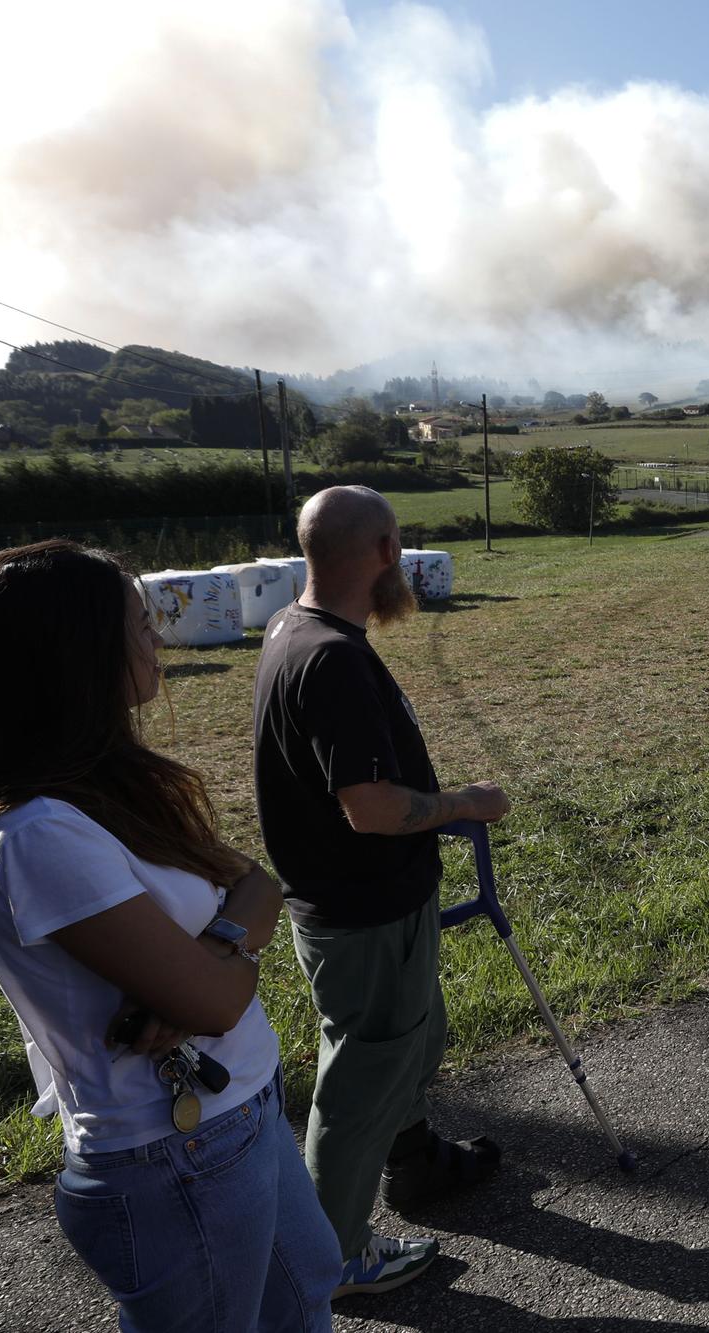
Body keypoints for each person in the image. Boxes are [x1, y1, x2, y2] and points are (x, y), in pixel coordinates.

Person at [0, 540, 338, 1331]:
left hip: (239, 1113)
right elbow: (219, 994)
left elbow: (258, 882)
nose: (154, 641)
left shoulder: (109, 789)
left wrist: (207, 955)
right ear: (72, 658)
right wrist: (215, 962)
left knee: (306, 1296)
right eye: (138, 626)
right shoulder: (37, 833)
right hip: (173, 1157)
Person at [252, 486, 510, 1296]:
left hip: (358, 902)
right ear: (388, 552)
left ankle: (415, 1161)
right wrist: (466, 804)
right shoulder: (331, 657)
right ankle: (331, 1257)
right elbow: (371, 807)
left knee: (408, 1043)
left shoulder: (294, 628)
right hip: (363, 910)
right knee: (362, 1084)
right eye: (400, 545)